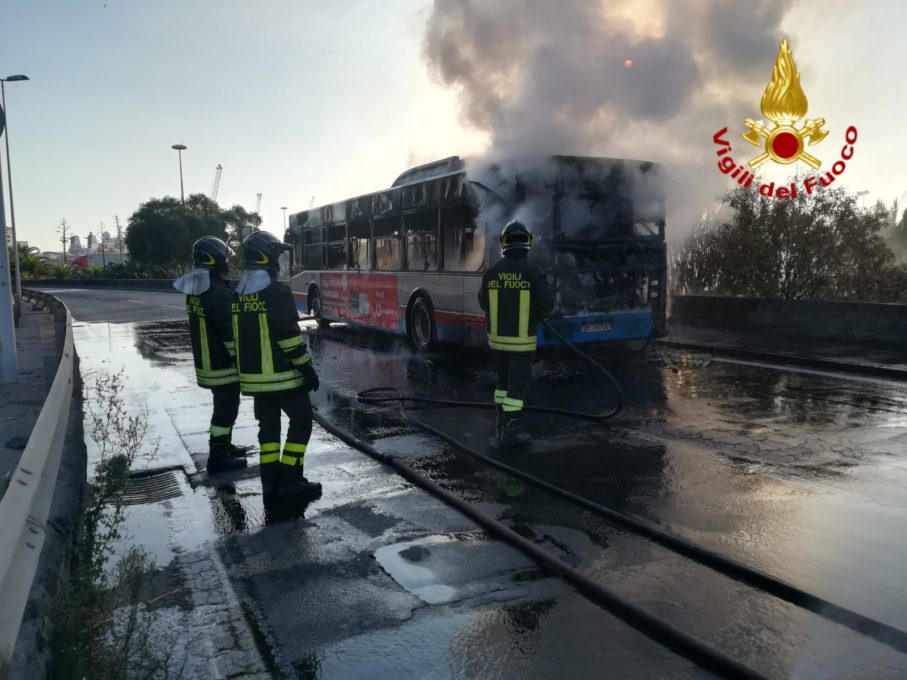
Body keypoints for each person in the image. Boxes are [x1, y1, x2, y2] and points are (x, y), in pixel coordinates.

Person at [232, 230, 322, 504]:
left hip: (255, 381)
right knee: (301, 421)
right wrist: (307, 369)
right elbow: (289, 338)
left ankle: (270, 483)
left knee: (268, 433)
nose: (277, 261)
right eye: (275, 255)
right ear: (266, 258)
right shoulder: (277, 292)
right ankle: (291, 480)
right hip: (282, 378)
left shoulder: (239, 293)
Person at [173, 237, 247, 474]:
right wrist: (241, 360)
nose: (226, 263)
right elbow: (229, 332)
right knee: (227, 409)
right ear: (213, 259)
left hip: (208, 361)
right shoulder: (216, 292)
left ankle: (224, 446)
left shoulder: (197, 289)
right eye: (224, 258)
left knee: (223, 406)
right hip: (222, 364)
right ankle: (218, 456)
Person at [478, 220, 554, 448]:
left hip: (497, 343)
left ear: (504, 243)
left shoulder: (492, 272)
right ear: (528, 242)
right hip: (522, 345)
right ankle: (511, 432)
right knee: (517, 386)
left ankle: (501, 424)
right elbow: (547, 307)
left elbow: (483, 303)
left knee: (502, 382)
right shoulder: (534, 272)